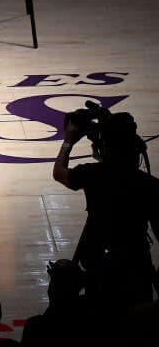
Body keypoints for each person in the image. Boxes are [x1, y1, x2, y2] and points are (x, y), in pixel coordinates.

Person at [52, 103, 159, 315]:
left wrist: (68, 142)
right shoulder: (151, 185)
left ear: (105, 147)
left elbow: (59, 172)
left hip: (101, 270)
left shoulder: (93, 174)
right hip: (137, 270)